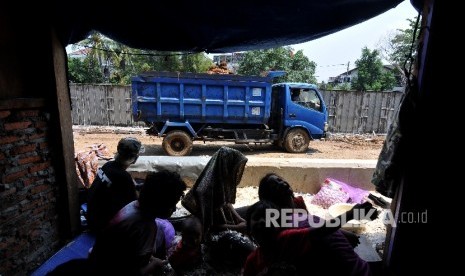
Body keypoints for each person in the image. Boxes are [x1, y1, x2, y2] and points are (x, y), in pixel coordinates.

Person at [88, 170, 187, 275]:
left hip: (97, 258)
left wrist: (152, 258)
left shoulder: (133, 205)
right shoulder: (145, 226)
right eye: (172, 205)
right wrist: (155, 265)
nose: (175, 209)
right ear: (160, 204)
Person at [243, 200, 377, 276]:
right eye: (257, 218)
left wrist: (350, 213)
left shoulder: (287, 239)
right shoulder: (252, 261)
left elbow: (324, 230)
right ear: (248, 228)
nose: (262, 221)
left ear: (279, 226)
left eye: (268, 218)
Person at [258, 173, 361, 248]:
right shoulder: (276, 217)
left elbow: (314, 222)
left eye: (280, 180)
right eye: (274, 186)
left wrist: (342, 233)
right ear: (269, 196)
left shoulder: (298, 202)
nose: (281, 184)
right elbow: (314, 231)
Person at [86, 137, 144, 233]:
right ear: (134, 159)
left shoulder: (108, 165)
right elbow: (136, 204)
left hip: (92, 217)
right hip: (102, 226)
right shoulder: (123, 177)